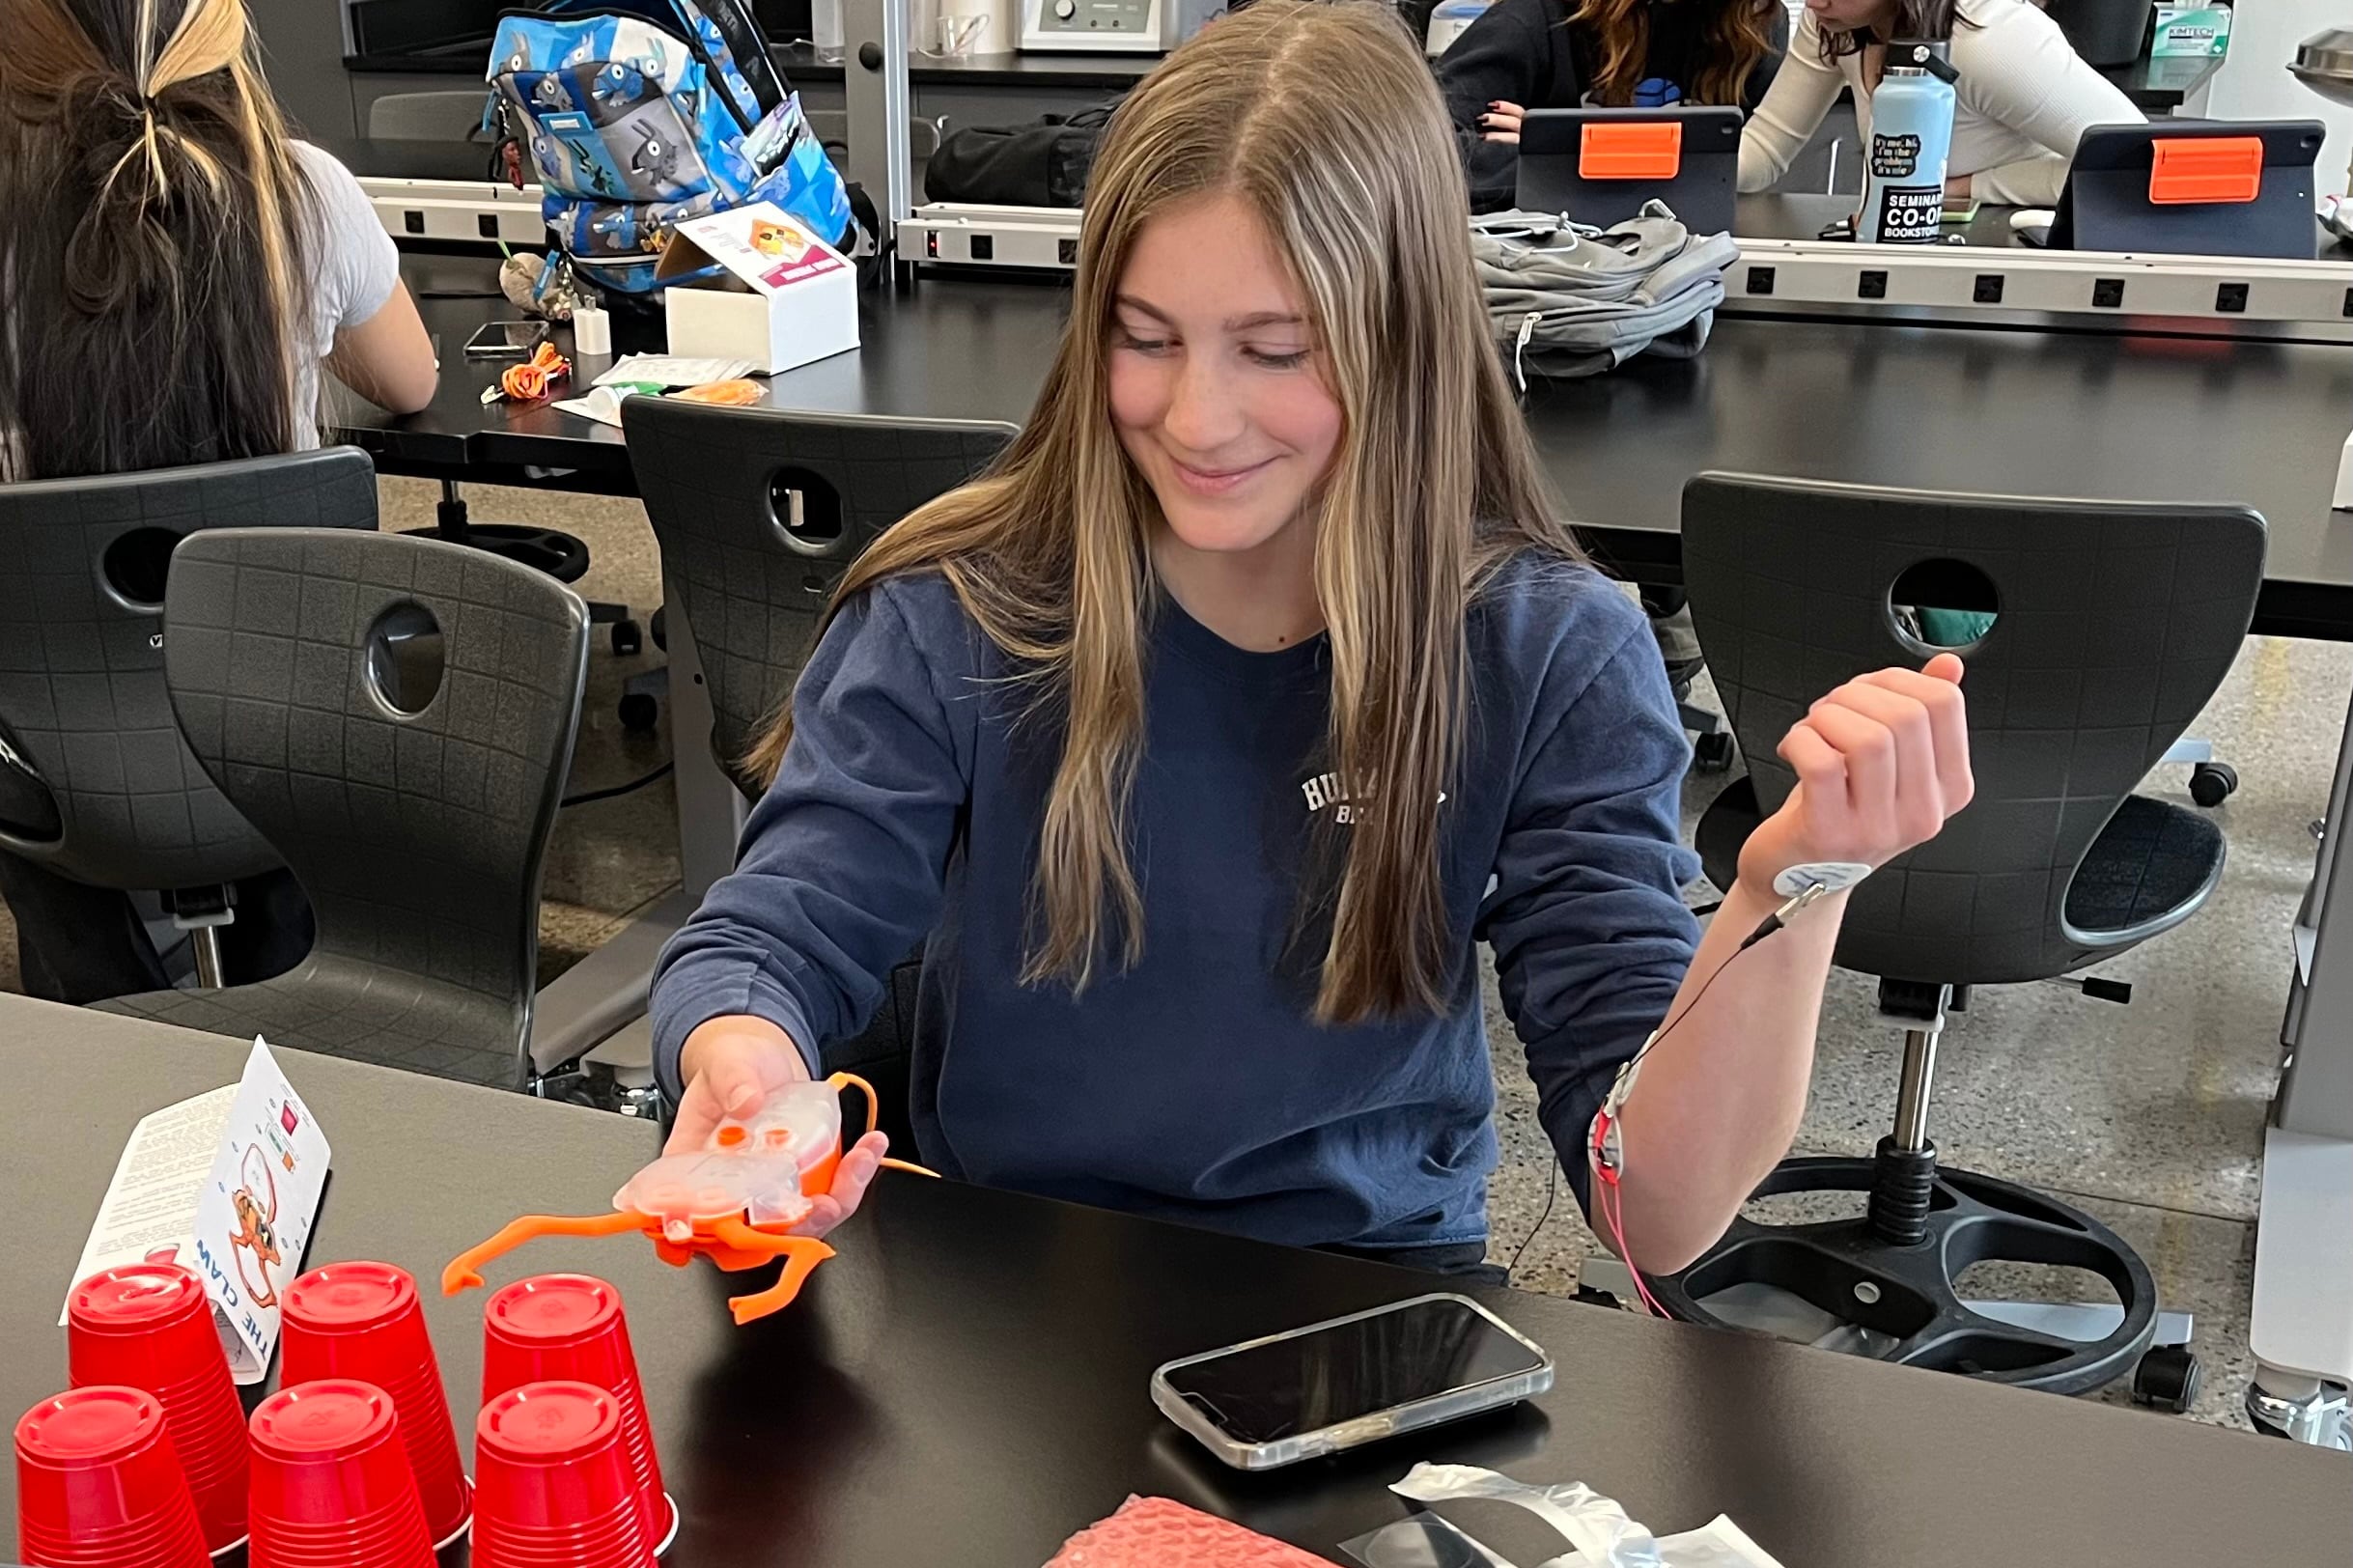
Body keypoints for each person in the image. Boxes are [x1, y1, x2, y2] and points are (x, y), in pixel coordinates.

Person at [651, 0, 1974, 1280]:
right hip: (1014, 1270)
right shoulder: (962, 606)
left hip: (1365, 1289)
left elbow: (1658, 1210)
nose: (1198, 418)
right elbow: (771, 935)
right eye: (1145, 338)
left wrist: (1788, 888)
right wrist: (745, 1056)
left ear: (1400, 340)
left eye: (1276, 349)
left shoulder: (1541, 655)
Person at [0, 0, 438, 999]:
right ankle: (294, 1006)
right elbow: (409, 381)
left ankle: (97, 1019)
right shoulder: (306, 196)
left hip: (55, 765)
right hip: (285, 740)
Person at [1738, 0, 2143, 207]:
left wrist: (1971, 188)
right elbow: (1763, 151)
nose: (1812, 3)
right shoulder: (1839, 25)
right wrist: (1679, 168)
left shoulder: (1989, 41)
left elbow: (2138, 164)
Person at [1437, 0, 1789, 212]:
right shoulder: (1540, 17)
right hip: (1552, 276)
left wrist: (1560, 152)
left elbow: (1740, 168)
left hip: (1694, 271)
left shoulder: (1752, 26)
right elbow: (1420, 155)